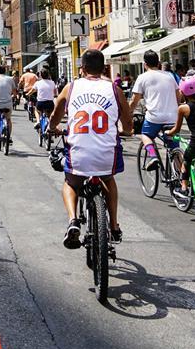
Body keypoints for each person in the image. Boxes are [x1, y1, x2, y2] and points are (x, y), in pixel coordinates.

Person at [50, 50, 131, 247]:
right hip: (106, 154)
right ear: (104, 68)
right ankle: (113, 226)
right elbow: (128, 125)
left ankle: (72, 220)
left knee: (71, 182)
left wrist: (53, 128)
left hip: (79, 152)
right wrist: (125, 131)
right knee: (108, 179)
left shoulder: (70, 88)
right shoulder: (115, 89)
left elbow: (55, 115)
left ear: (82, 68)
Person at [130, 50, 180, 171]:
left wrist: (128, 113)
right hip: (172, 117)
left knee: (145, 135)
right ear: (158, 63)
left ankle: (153, 156)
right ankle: (183, 181)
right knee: (174, 149)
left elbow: (134, 100)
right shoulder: (169, 76)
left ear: (144, 64)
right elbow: (178, 96)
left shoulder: (142, 77)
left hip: (154, 118)